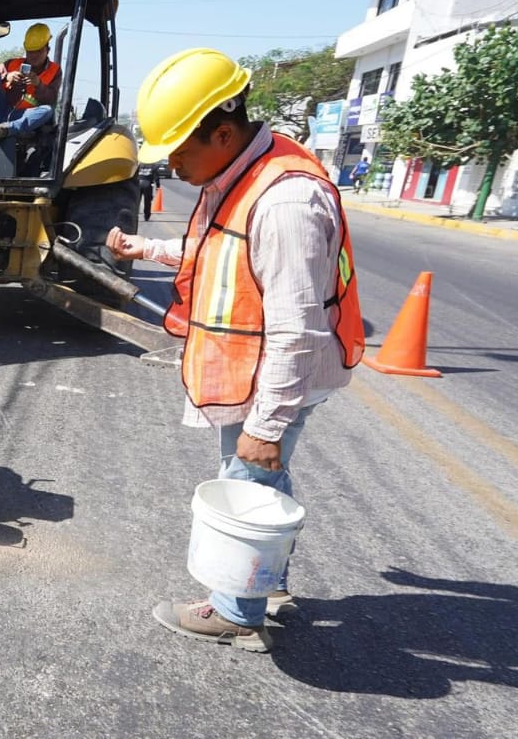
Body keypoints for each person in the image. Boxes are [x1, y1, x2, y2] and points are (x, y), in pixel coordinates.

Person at [106, 48, 364, 653]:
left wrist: (267, 426)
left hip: (274, 376)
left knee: (247, 476)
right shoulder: (242, 173)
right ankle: (267, 584)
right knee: (264, 480)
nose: (170, 163)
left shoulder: (285, 202)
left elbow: (296, 331)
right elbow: (223, 251)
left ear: (223, 133)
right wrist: (148, 251)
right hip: (254, 368)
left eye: (180, 149)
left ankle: (237, 610)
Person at [0, 23, 62, 141]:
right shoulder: (12, 64)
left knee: (47, 111)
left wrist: (38, 84)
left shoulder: (55, 71)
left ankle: (5, 129)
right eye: (30, 51)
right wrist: (7, 76)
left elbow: (52, 99)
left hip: (22, 117)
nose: (33, 55)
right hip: (1, 110)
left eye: (38, 51)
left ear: (47, 50)